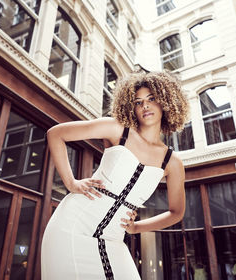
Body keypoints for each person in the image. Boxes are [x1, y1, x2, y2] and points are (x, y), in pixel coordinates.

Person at [41, 71, 189, 279]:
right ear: (131, 107)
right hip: (71, 228)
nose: (145, 106)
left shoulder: (172, 162)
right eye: (138, 102)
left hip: (113, 240)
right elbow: (56, 134)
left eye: (151, 99)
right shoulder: (117, 129)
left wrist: (137, 227)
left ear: (165, 102)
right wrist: (71, 183)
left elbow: (176, 212)